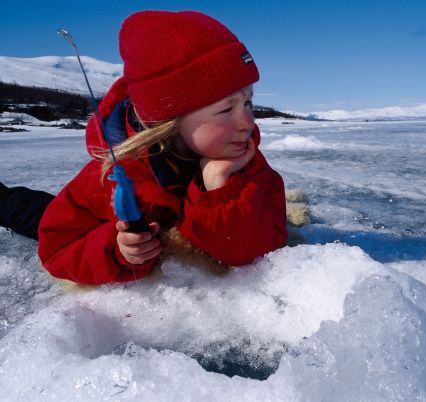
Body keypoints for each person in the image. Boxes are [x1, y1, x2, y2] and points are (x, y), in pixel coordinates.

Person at [2, 10, 288, 285]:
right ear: (171, 119)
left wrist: (219, 188)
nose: (247, 122)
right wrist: (118, 250)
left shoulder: (244, 159)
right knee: (29, 212)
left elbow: (254, 248)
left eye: (248, 103)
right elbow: (57, 248)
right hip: (86, 220)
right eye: (227, 109)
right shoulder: (112, 177)